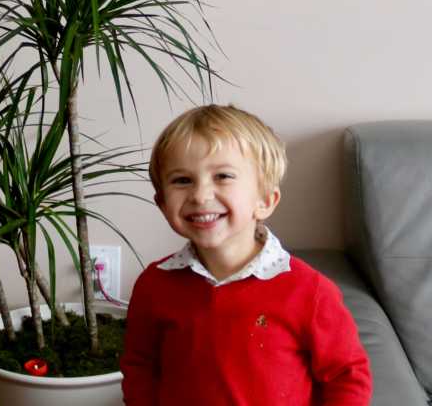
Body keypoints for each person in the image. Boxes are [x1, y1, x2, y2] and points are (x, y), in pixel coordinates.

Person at [120, 104, 372, 405]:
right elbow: (140, 367)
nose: (200, 195)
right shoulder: (154, 285)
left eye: (223, 176)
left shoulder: (309, 292)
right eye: (182, 180)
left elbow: (346, 376)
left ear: (265, 200)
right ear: (162, 204)